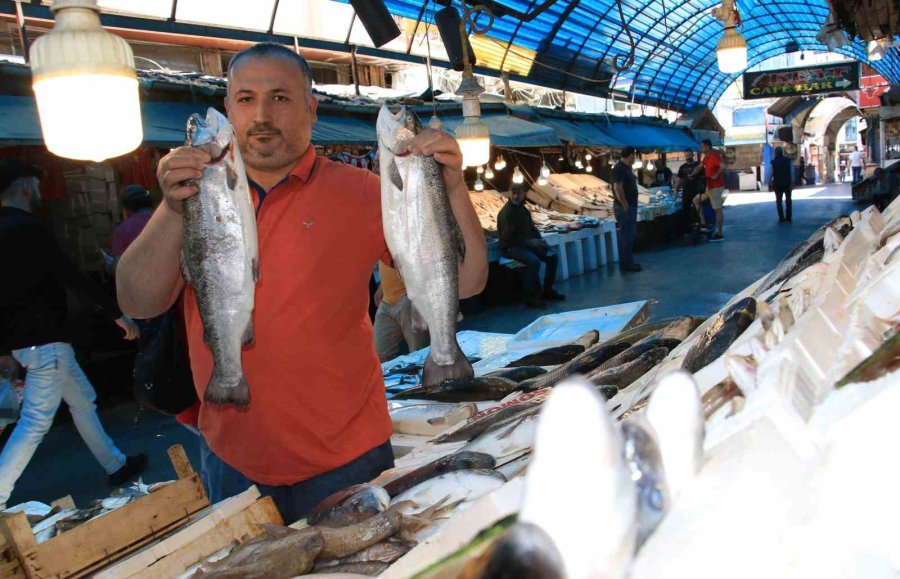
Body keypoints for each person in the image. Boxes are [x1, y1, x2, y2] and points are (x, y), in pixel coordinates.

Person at [115, 43, 488, 523]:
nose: (262, 114)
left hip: (350, 455)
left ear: (310, 107)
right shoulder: (194, 199)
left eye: (281, 97)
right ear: (228, 111)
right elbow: (137, 301)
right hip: (232, 459)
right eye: (246, 99)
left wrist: (451, 186)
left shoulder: (365, 192)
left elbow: (469, 281)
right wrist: (169, 208)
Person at [0, 159, 147, 509]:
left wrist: (4, 348)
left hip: (31, 344)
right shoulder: (30, 228)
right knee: (35, 422)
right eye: (35, 184)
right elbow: (72, 275)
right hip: (47, 341)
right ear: (25, 187)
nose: (39, 190)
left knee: (82, 400)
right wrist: (116, 314)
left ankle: (116, 465)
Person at [497, 183, 566, 307]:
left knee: (552, 257)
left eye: (519, 193)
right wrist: (530, 242)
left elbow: (532, 229)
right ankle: (530, 297)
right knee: (534, 262)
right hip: (511, 248)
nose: (516, 196)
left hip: (527, 246)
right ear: (509, 194)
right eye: (514, 193)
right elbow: (508, 239)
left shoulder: (523, 210)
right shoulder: (507, 213)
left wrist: (541, 242)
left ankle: (548, 290)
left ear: (524, 194)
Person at [373, 262, 430, 362]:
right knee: (378, 356)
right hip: (386, 302)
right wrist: (382, 287)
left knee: (419, 354)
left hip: (408, 299)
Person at [612, 146, 642, 272]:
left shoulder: (627, 168)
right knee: (626, 235)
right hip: (624, 208)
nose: (635, 158)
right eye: (634, 155)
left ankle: (629, 261)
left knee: (630, 235)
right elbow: (617, 188)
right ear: (630, 155)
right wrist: (624, 204)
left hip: (630, 206)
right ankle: (626, 264)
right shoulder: (618, 168)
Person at [691, 139, 725, 242]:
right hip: (709, 187)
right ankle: (703, 223)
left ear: (707, 147)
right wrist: (692, 174)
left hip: (716, 187)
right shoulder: (706, 157)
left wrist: (716, 175)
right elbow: (700, 167)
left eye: (702, 147)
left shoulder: (714, 156)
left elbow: (723, 166)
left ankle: (720, 234)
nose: (701, 149)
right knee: (696, 200)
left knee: (717, 209)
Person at [673, 150, 702, 232]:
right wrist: (675, 189)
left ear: (693, 155)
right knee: (686, 210)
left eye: (689, 155)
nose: (688, 157)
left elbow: (704, 177)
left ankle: (700, 225)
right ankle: (688, 228)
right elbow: (679, 179)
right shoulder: (682, 167)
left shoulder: (698, 164)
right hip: (686, 192)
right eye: (686, 155)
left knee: (697, 210)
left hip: (697, 191)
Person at [770, 146, 793, 223]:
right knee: (788, 201)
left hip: (777, 184)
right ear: (782, 152)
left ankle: (781, 218)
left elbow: (771, 173)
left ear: (775, 153)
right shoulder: (788, 160)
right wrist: (792, 181)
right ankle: (788, 218)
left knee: (779, 201)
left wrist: (769, 182)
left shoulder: (773, 162)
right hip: (787, 183)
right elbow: (792, 171)